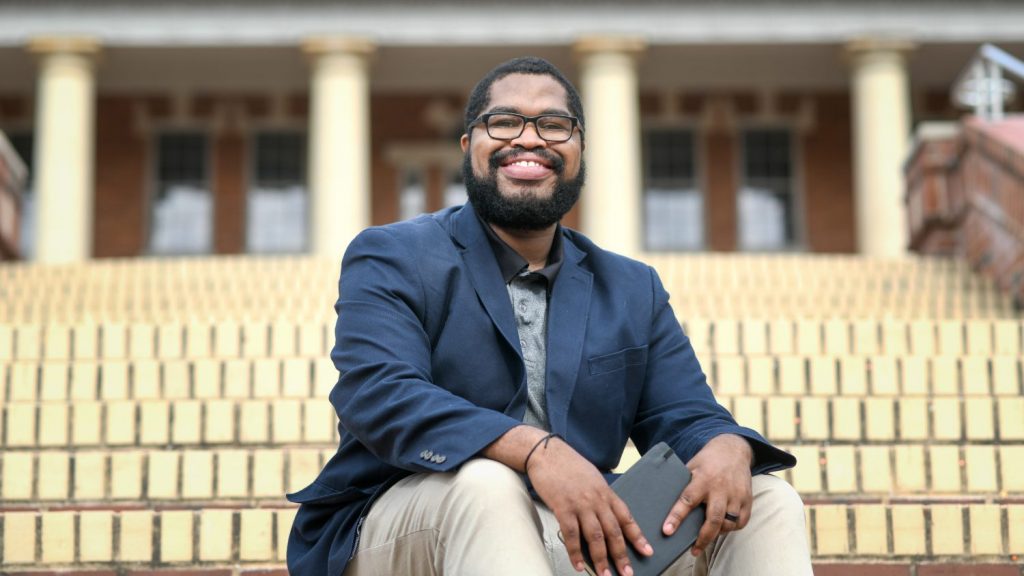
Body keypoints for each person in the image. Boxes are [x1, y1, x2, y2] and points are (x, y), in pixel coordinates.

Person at [287, 56, 812, 576]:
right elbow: (381, 395)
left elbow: (685, 416)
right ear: (469, 147)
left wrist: (726, 446)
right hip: (404, 521)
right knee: (487, 484)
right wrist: (536, 451)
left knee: (765, 501)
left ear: (580, 151)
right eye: (504, 121)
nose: (530, 139)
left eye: (554, 125)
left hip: (581, 530)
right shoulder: (393, 255)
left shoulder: (631, 287)